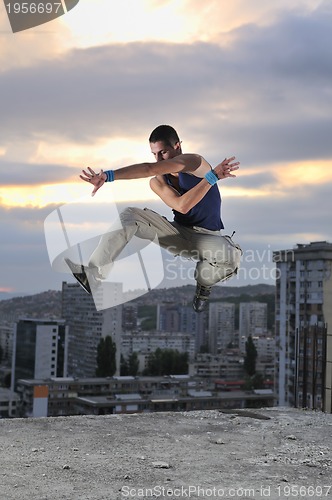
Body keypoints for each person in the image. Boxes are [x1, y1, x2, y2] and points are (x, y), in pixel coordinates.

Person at [65, 125, 242, 312]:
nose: (158, 160)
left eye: (163, 153)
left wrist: (210, 176)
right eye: (154, 154)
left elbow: (151, 168)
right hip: (179, 234)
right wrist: (212, 178)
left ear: (177, 146)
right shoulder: (157, 182)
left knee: (231, 256)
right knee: (130, 215)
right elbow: (181, 205)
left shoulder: (194, 162)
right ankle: (94, 275)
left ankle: (204, 285)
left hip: (208, 238)